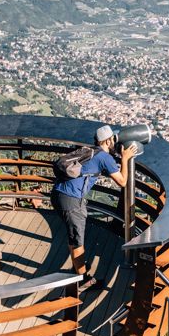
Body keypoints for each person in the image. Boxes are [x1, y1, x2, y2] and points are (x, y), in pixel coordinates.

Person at [51, 124, 135, 290]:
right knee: (77, 242)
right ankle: (83, 281)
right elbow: (123, 181)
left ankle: (77, 268)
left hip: (58, 194)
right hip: (71, 200)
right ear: (108, 140)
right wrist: (125, 158)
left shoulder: (90, 151)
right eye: (113, 139)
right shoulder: (104, 157)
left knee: (73, 237)